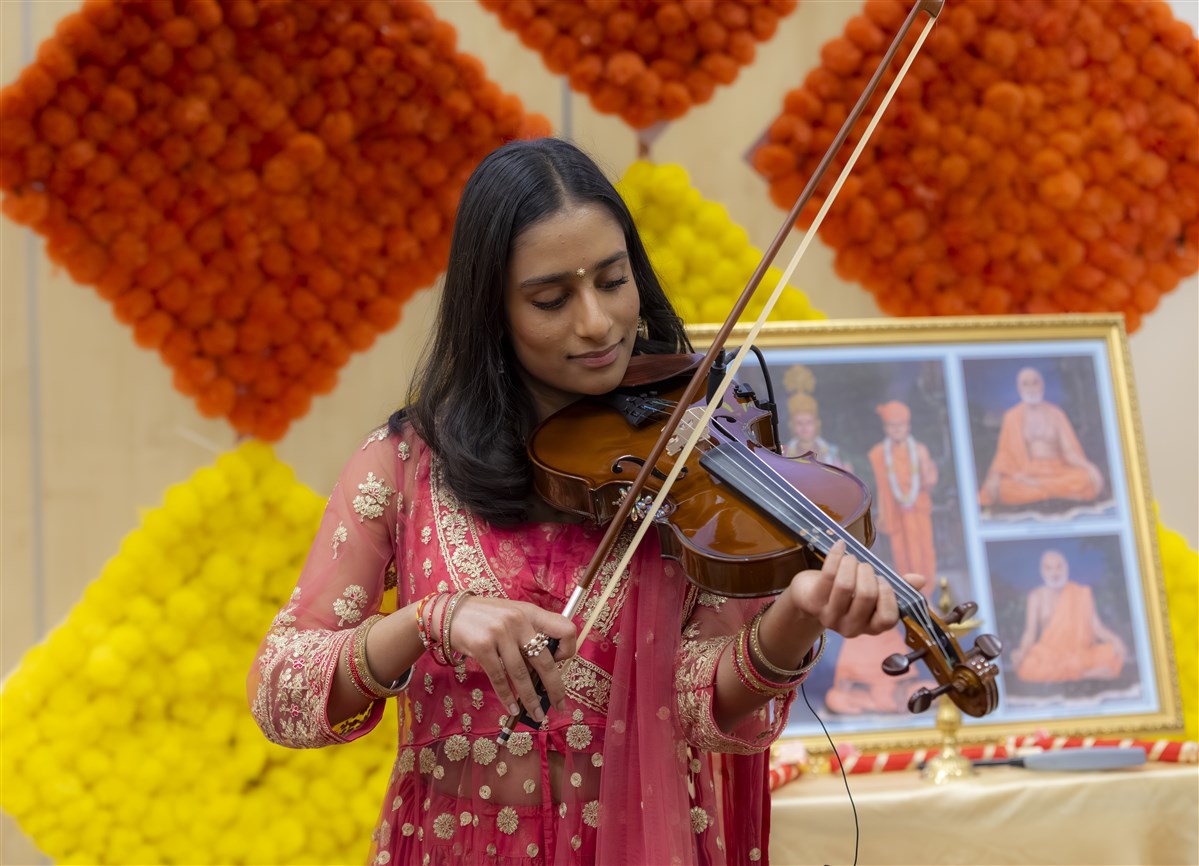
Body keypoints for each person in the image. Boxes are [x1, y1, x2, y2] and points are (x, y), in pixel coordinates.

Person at [247, 138, 923, 865]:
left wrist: (795, 619)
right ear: (491, 309)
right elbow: (282, 693)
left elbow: (702, 709)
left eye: (612, 280)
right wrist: (427, 620)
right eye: (551, 300)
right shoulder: (407, 464)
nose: (597, 322)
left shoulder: (687, 463)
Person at [824, 400, 937, 715]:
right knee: (842, 698)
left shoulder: (918, 451)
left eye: (902, 425)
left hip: (917, 517)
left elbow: (929, 480)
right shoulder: (877, 455)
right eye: (892, 425)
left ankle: (924, 598)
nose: (897, 430)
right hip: (892, 523)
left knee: (920, 564)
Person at [979, 367, 1105, 508]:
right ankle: (1055, 492)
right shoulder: (1011, 417)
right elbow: (1004, 453)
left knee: (1084, 479)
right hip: (1027, 472)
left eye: (1035, 383)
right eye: (1026, 384)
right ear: (1019, 388)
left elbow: (1070, 451)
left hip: (1057, 471)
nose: (1031, 388)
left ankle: (1041, 489)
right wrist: (994, 475)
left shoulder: (1057, 414)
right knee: (1001, 488)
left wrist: (1089, 467)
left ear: (1042, 385)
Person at [1011, 549, 1127, 683]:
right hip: (1050, 655)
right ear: (1042, 571)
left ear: (1066, 568)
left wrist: (1116, 640)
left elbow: (1097, 628)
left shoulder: (1082, 593)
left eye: (1058, 567)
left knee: (1112, 653)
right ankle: (1086, 674)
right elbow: (1029, 633)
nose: (1055, 573)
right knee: (1027, 665)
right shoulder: (1036, 596)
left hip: (1080, 653)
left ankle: (1075, 672)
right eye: (1049, 568)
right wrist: (1021, 652)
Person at [782, 366, 853, 471]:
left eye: (809, 422)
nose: (804, 428)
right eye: (799, 423)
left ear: (817, 424)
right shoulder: (784, 454)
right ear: (791, 425)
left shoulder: (833, 452)